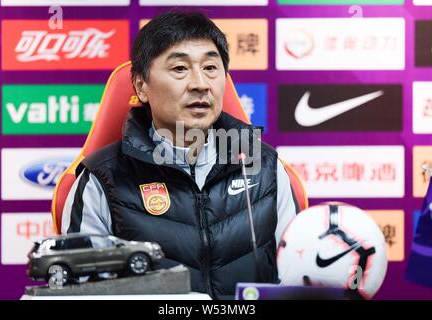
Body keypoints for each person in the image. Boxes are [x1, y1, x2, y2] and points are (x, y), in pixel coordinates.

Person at [61, 11, 297, 299]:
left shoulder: (264, 166)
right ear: (141, 86)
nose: (200, 83)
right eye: (180, 69)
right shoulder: (102, 179)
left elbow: (296, 279)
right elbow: (80, 293)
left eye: (211, 67)